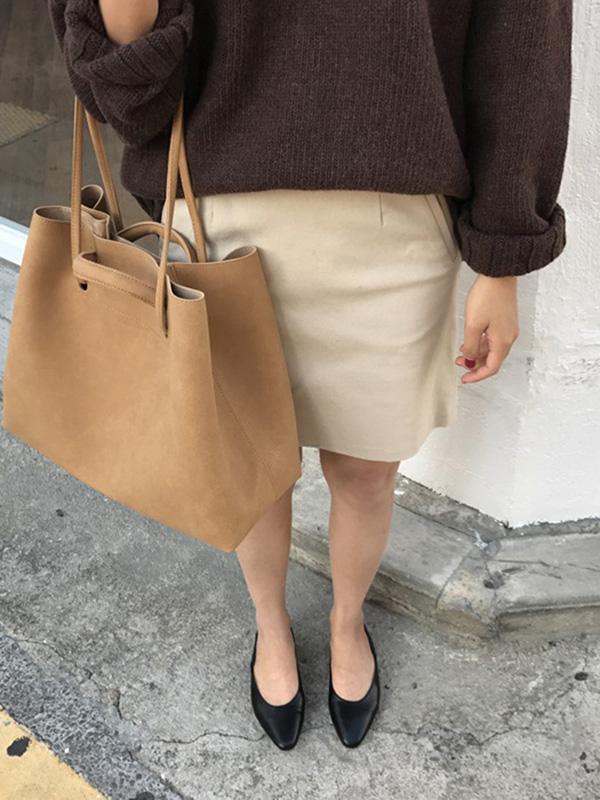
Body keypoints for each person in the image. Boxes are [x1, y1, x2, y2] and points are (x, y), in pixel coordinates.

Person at [48, 0, 573, 749]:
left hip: (395, 217)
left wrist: (504, 254)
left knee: (366, 470)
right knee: (253, 469)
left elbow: (523, 43)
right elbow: (128, 95)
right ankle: (271, 624)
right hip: (218, 208)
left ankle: (346, 619)